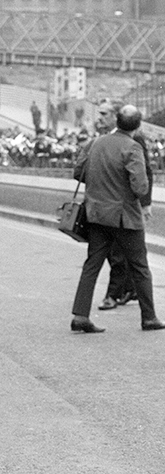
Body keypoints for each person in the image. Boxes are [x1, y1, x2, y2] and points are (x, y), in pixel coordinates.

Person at [69, 105, 165, 333]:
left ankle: (80, 315)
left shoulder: (96, 142)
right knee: (140, 267)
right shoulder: (132, 148)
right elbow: (140, 187)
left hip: (96, 214)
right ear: (137, 126)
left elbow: (77, 172)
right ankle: (149, 317)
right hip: (124, 218)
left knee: (91, 265)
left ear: (117, 121)